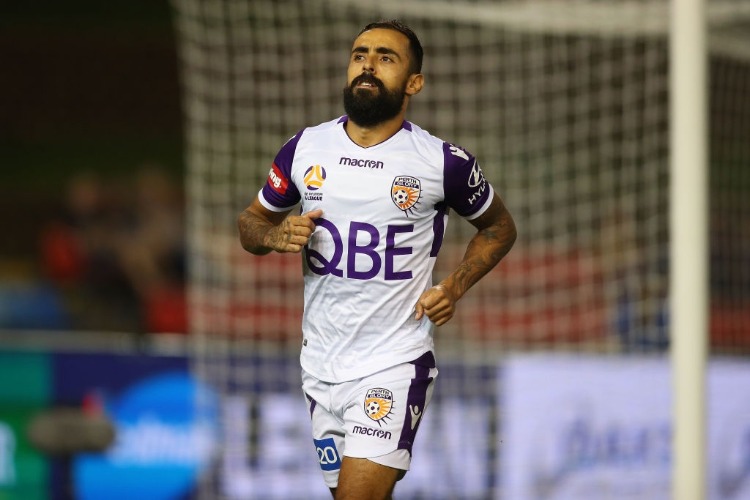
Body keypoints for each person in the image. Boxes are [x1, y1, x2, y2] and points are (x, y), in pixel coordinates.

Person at [237, 20, 516, 499]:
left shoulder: (441, 162)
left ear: (414, 83)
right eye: (359, 54)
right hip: (320, 365)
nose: (367, 64)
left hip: (394, 361)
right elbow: (250, 225)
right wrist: (275, 232)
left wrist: (454, 286)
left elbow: (499, 228)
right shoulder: (305, 147)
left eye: (386, 57)